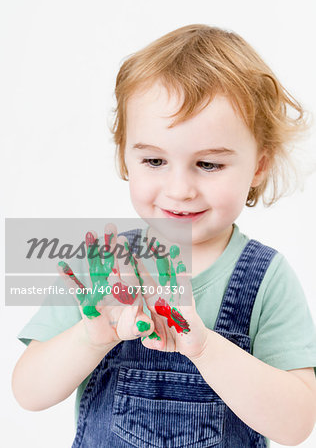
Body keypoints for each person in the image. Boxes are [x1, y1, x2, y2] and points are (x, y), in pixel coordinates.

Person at [12, 24, 316, 447]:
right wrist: (90, 338)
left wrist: (206, 348)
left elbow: (296, 424)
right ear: (125, 157)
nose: (179, 189)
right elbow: (28, 393)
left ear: (258, 167)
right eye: (154, 160)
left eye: (208, 164)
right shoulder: (102, 265)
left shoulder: (267, 278)